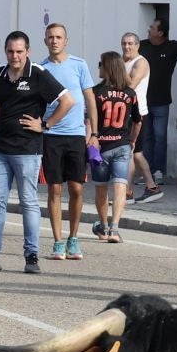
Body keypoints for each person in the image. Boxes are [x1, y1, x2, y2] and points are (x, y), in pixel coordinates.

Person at [0, 31, 68, 274]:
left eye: (19, 51)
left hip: (27, 150)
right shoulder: (0, 74)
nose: (14, 56)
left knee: (28, 203)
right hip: (0, 150)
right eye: (10, 51)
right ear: (5, 51)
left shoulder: (38, 74)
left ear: (28, 51)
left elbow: (68, 101)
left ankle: (31, 256)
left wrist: (45, 125)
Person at [39, 22, 96, 260]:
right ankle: (58, 241)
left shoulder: (79, 65)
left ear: (66, 41)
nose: (54, 41)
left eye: (58, 37)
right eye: (50, 37)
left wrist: (94, 134)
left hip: (75, 135)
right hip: (51, 135)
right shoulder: (40, 69)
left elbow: (90, 99)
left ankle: (74, 238)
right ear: (45, 41)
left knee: (77, 187)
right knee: (54, 188)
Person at [135, 18, 177, 186]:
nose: (149, 29)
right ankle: (146, 173)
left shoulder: (171, 47)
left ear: (160, 32)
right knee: (146, 137)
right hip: (142, 102)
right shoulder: (141, 45)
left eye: (152, 27)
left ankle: (158, 171)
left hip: (162, 101)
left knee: (160, 136)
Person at [87, 50, 141, 244]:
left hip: (100, 146)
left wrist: (89, 142)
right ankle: (115, 229)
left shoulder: (96, 92)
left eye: (100, 64)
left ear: (108, 67)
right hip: (122, 145)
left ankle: (102, 226)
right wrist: (133, 140)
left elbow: (89, 121)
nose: (99, 68)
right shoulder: (130, 93)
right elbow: (137, 121)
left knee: (101, 189)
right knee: (120, 186)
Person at [118, 31, 161, 204]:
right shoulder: (122, 62)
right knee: (136, 153)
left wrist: (114, 77)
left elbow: (131, 85)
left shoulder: (141, 62)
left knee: (129, 152)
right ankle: (152, 187)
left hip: (137, 114)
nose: (126, 47)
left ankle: (127, 193)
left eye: (130, 44)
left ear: (137, 45)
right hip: (125, 113)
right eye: (124, 43)